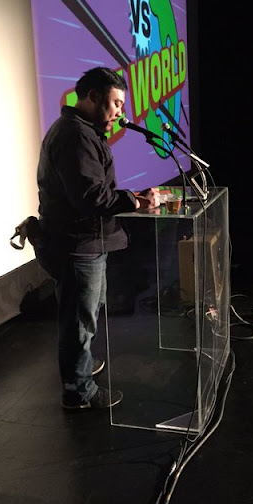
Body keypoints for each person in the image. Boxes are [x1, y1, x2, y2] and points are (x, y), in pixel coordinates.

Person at [34, 67, 160, 411]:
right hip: (78, 246)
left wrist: (132, 199)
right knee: (79, 322)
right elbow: (90, 198)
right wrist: (135, 200)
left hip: (87, 243)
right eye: (116, 103)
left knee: (86, 316)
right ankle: (79, 392)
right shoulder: (75, 136)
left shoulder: (82, 132)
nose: (121, 112)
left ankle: (82, 367)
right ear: (92, 97)